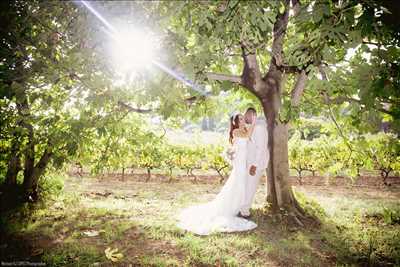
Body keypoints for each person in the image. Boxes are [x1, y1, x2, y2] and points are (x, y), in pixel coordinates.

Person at [176, 113, 257, 235]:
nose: (242, 120)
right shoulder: (236, 132)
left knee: (240, 184)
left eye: (242, 118)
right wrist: (254, 122)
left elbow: (249, 138)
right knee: (237, 183)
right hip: (239, 162)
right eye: (240, 118)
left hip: (243, 161)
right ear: (235, 122)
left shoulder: (244, 129)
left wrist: (249, 125)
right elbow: (247, 135)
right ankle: (233, 207)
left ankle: (238, 206)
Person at [239, 107, 269, 218]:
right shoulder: (251, 128)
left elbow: (261, 148)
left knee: (250, 187)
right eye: (245, 114)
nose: (246, 117)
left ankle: (245, 212)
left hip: (256, 164)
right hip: (248, 162)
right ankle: (242, 208)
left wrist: (255, 165)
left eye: (249, 115)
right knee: (246, 186)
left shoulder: (260, 128)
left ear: (254, 116)